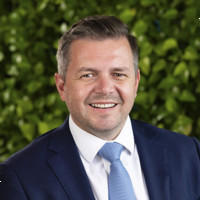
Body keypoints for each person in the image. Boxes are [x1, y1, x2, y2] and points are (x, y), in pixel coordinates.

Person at [0, 15, 200, 200]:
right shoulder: (19, 177)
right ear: (62, 86)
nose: (105, 89)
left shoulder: (188, 154)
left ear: (136, 82)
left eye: (118, 74)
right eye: (88, 75)